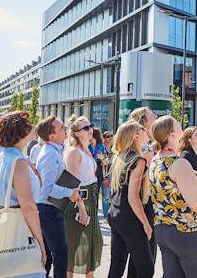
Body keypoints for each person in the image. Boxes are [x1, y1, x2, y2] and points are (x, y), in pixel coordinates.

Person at [149, 116, 197, 277]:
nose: (182, 127)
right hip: (187, 230)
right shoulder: (179, 164)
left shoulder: (155, 160)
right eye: (178, 126)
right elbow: (196, 203)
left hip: (164, 229)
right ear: (172, 135)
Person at [0, 111, 46, 278]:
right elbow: (29, 206)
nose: (33, 126)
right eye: (29, 124)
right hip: (20, 227)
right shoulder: (17, 161)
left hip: (2, 225)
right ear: (20, 131)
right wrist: (40, 242)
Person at [34, 116, 81, 278]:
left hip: (50, 209)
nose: (65, 129)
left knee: (48, 255)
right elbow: (47, 188)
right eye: (61, 128)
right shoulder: (49, 154)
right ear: (51, 136)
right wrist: (70, 192)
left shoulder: (55, 151)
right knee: (60, 255)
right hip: (49, 210)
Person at [106, 121, 154, 278]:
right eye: (142, 129)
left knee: (116, 267)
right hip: (130, 218)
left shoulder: (119, 157)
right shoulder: (138, 161)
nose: (145, 130)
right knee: (147, 269)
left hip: (115, 214)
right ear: (135, 136)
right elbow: (133, 197)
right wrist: (146, 223)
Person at [64, 116, 102, 278]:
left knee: (92, 243)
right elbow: (72, 185)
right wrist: (82, 209)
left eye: (90, 126)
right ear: (77, 133)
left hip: (91, 199)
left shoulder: (86, 149)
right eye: (86, 128)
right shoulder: (73, 151)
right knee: (74, 246)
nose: (90, 129)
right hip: (79, 202)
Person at [89, 127, 112, 217]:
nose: (90, 138)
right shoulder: (86, 146)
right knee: (90, 194)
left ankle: (94, 214)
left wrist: (102, 158)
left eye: (91, 135)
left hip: (99, 173)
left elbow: (106, 161)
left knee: (96, 193)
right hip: (89, 172)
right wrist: (94, 157)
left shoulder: (101, 146)